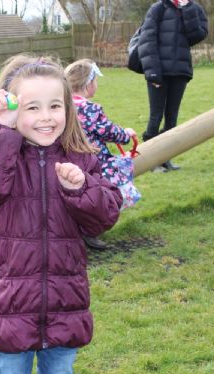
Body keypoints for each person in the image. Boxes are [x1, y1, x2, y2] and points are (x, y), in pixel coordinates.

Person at [0, 54, 123, 374]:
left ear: (68, 108)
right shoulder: (1, 158)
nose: (46, 117)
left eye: (55, 106)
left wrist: (81, 189)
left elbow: (106, 215)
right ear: (11, 109)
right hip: (10, 304)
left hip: (65, 302)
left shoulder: (80, 157)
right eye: (32, 108)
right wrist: (0, 131)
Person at [64, 59, 137, 250]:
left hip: (68, 159)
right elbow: (109, 131)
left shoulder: (62, 105)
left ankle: (74, 229)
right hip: (94, 161)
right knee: (103, 194)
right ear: (88, 84)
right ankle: (91, 230)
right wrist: (126, 134)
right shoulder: (90, 109)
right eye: (95, 80)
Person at [138, 0, 208, 172]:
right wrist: (153, 73)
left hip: (180, 72)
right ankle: (149, 161)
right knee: (155, 117)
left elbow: (197, 35)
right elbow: (147, 41)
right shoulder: (157, 9)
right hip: (158, 72)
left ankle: (165, 158)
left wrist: (188, 9)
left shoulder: (194, 9)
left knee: (172, 118)